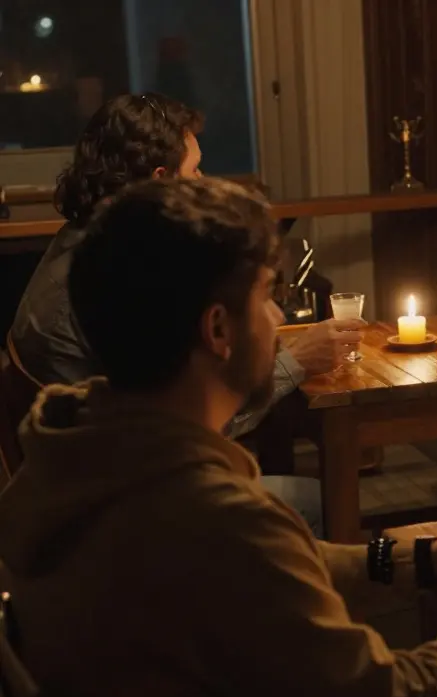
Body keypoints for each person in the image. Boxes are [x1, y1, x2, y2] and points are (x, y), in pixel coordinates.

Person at [0, 177, 437, 697]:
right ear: (218, 330)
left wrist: (425, 556)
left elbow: (278, 568)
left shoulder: (75, 451)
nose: (279, 314)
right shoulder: (216, 520)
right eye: (264, 295)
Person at [8, 93, 360, 533]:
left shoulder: (86, 244)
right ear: (161, 179)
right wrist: (295, 363)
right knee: (333, 501)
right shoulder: (114, 280)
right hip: (134, 513)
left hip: (90, 492)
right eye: (195, 170)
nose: (203, 180)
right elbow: (188, 434)